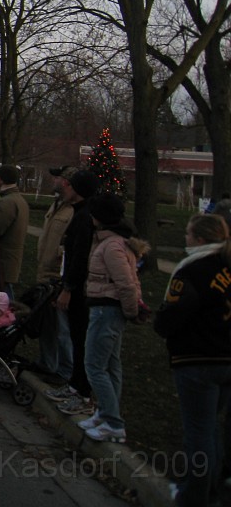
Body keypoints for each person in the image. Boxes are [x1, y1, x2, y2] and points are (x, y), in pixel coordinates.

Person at [155, 214, 231, 507]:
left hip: (198, 357)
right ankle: (211, 489)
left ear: (200, 239)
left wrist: (162, 325)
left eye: (188, 234)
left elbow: (175, 311)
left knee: (197, 431)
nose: (185, 238)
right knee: (212, 426)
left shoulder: (194, 269)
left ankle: (192, 495)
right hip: (226, 357)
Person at [79, 194, 146, 443]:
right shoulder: (113, 243)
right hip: (107, 308)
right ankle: (106, 413)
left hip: (107, 309)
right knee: (110, 364)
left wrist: (131, 311)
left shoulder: (112, 246)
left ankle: (114, 423)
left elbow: (126, 283)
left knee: (94, 365)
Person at [49, 169, 101, 416]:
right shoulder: (81, 214)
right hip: (75, 284)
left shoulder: (84, 218)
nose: (64, 188)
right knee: (77, 337)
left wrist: (68, 288)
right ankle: (74, 385)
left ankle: (82, 390)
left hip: (80, 290)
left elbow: (79, 257)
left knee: (80, 339)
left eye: (68, 186)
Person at [34, 167, 78, 382]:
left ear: (67, 182)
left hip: (57, 276)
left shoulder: (73, 212)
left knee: (62, 328)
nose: (54, 180)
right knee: (47, 325)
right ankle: (47, 363)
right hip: (44, 273)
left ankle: (65, 370)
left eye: (59, 177)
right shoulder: (57, 205)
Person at [0, 164, 28, 299]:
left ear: (2, 179)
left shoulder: (6, 202)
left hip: (2, 258)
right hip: (11, 257)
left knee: (3, 297)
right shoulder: (19, 199)